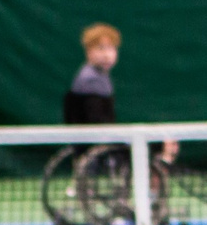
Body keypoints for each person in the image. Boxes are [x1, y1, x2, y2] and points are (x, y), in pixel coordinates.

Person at [62, 23, 175, 161]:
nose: (107, 55)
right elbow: (98, 124)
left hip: (102, 138)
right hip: (97, 142)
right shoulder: (91, 79)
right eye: (101, 48)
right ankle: (158, 172)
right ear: (88, 51)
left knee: (159, 139)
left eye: (111, 48)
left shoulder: (99, 75)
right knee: (159, 143)